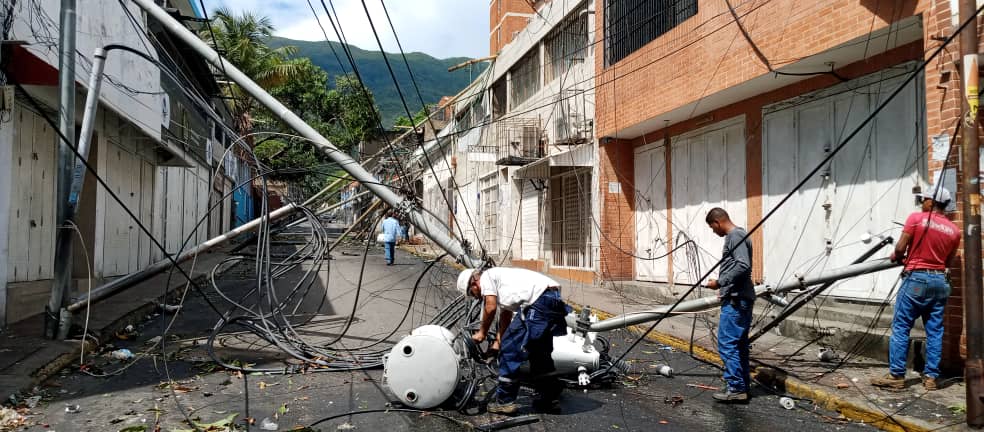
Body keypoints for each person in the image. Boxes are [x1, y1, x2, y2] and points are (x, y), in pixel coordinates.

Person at [871, 186, 959, 391]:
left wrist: (898, 257)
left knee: (901, 326)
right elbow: (949, 261)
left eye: (923, 199)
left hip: (917, 280)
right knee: (935, 331)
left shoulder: (916, 219)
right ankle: (930, 378)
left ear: (931, 202)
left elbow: (900, 248)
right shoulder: (954, 231)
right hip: (940, 281)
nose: (921, 203)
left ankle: (896, 376)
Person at [457, 267, 570, 414]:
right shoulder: (503, 283)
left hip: (538, 302)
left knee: (510, 351)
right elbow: (506, 316)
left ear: (474, 283)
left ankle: (505, 402)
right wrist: (498, 342)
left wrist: (482, 333)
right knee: (540, 354)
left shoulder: (487, 277)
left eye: (472, 294)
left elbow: (490, 308)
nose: (477, 298)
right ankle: (548, 401)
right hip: (551, 298)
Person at [705, 207, 755, 402]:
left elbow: (742, 265)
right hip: (736, 296)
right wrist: (724, 289)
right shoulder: (738, 235)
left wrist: (720, 282)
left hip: (737, 301)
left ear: (718, 222)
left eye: (712, 228)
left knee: (727, 344)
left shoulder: (735, 236)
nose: (713, 232)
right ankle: (741, 386)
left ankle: (735, 388)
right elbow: (738, 266)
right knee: (739, 345)